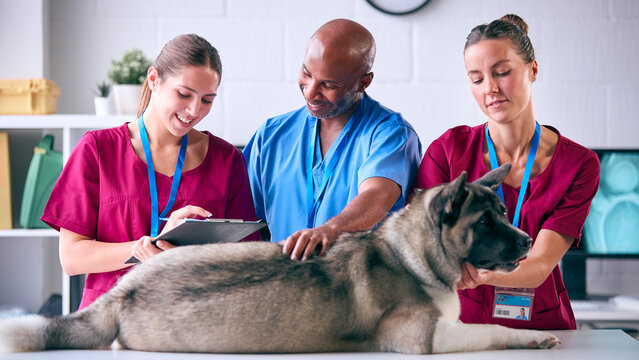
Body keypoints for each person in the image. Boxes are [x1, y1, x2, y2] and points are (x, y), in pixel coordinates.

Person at [41, 34, 258, 310]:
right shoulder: (97, 149)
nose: (194, 110)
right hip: (110, 323)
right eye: (183, 94)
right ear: (154, 79)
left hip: (192, 320)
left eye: (207, 100)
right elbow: (72, 258)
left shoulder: (228, 160)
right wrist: (149, 248)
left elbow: (246, 259)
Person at [413, 14, 600, 330]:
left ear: (533, 70)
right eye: (477, 79)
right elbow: (421, 240)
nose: (490, 89)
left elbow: (540, 263)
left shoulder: (579, 164)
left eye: (501, 73)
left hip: (540, 329)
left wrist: (481, 274)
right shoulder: (446, 151)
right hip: (458, 329)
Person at [243, 19, 422, 261]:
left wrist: (330, 230)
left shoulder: (390, 134)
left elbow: (376, 197)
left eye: (329, 84)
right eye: (307, 73)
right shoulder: (271, 135)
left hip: (352, 291)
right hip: (281, 286)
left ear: (364, 82)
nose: (310, 91)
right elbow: (244, 217)